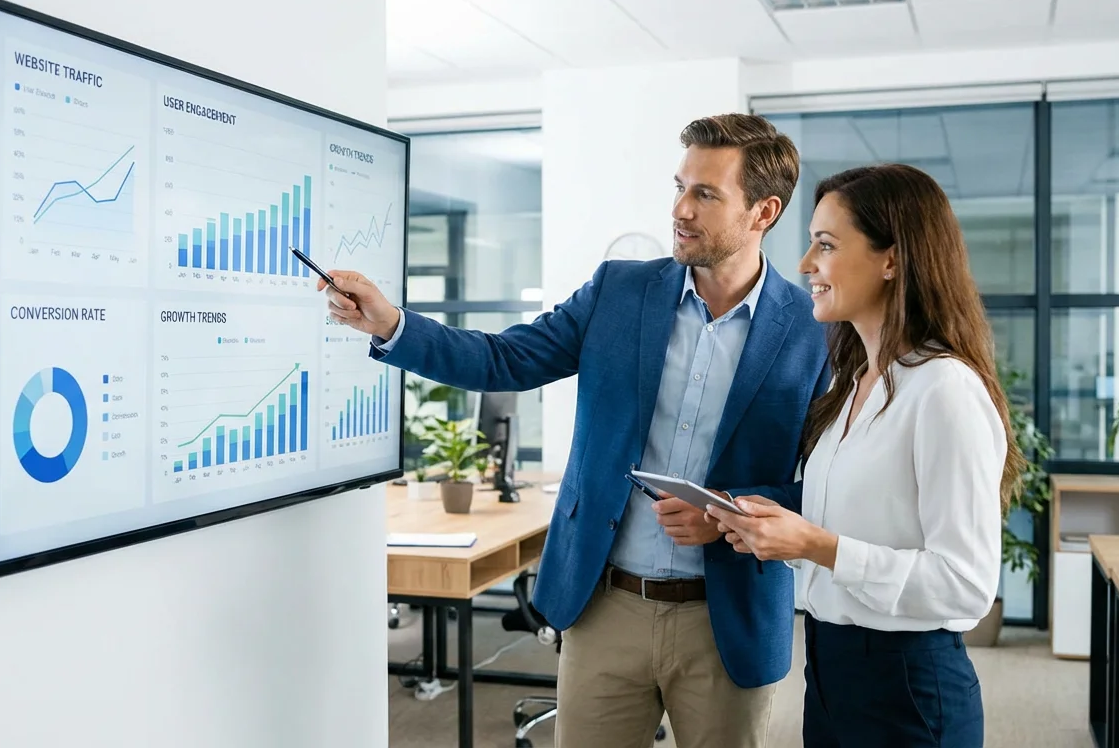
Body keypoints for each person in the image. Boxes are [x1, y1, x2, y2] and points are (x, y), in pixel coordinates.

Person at [319, 113, 829, 748]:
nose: (681, 209)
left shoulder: (814, 329)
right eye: (679, 186)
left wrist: (734, 516)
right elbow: (504, 358)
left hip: (729, 616)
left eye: (705, 194)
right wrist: (392, 323)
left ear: (763, 212)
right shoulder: (620, 290)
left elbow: (832, 484)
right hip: (604, 605)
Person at [706, 163, 1025, 748]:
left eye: (825, 245)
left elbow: (965, 584)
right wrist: (765, 527)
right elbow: (851, 529)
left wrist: (814, 545)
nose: (805, 265)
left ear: (892, 259)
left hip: (907, 685)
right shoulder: (853, 386)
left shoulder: (944, 390)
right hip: (831, 670)